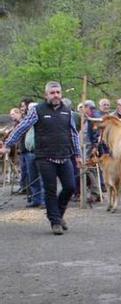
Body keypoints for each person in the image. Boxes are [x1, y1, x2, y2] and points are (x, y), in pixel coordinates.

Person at [1, 82, 82, 235]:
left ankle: (57, 214)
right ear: (46, 95)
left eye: (58, 92)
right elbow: (22, 127)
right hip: (45, 157)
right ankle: (55, 222)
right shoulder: (37, 111)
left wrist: (77, 155)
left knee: (70, 187)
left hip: (65, 155)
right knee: (50, 189)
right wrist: (8, 144)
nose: (56, 95)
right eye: (52, 93)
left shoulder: (68, 112)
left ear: (61, 94)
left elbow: (73, 134)